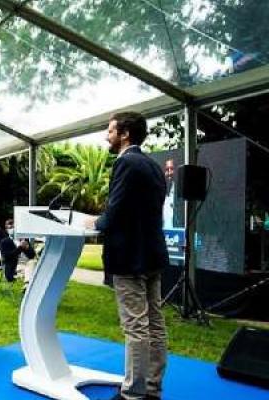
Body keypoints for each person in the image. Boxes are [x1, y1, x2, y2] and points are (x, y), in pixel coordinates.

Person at [85, 112, 168, 400]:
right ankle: (153, 390)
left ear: (125, 134)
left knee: (136, 326)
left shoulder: (125, 163)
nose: (106, 136)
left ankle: (132, 393)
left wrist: (93, 223)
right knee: (155, 324)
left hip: (129, 258)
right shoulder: (154, 167)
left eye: (110, 131)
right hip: (153, 255)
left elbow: (116, 212)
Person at [0, 219, 36, 283]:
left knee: (32, 262)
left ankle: (27, 283)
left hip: (27, 263)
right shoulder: (4, 242)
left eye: (13, 227)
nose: (12, 230)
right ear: (7, 230)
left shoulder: (23, 239)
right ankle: (27, 283)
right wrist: (20, 248)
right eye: (10, 228)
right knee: (28, 270)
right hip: (15, 266)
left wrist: (27, 248)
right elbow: (6, 257)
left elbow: (32, 255)